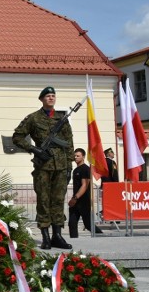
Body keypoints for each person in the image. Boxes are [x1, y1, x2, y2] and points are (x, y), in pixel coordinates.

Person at [12, 86, 74, 250]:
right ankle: (45, 236)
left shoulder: (62, 119)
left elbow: (69, 144)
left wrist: (69, 166)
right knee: (44, 200)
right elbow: (17, 137)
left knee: (59, 200)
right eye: (48, 96)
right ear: (42, 99)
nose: (51, 98)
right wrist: (34, 149)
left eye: (53, 96)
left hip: (60, 166)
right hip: (43, 166)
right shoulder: (33, 118)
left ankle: (57, 235)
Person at [68, 148, 102, 237]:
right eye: (74, 156)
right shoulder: (76, 170)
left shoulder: (85, 169)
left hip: (83, 201)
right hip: (76, 201)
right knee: (72, 223)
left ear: (83, 157)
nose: (75, 157)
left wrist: (75, 198)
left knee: (88, 224)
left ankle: (101, 236)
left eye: (78, 156)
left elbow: (84, 185)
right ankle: (74, 242)